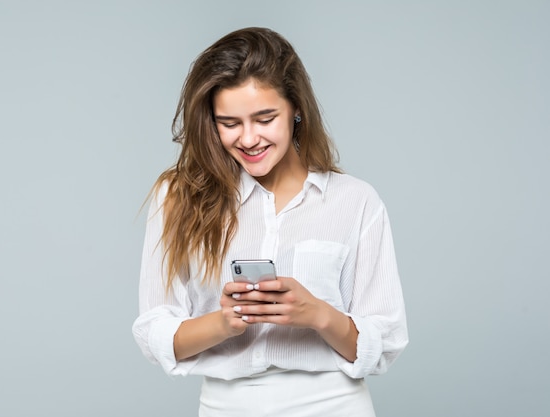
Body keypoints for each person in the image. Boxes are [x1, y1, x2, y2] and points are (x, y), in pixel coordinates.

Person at [133, 27, 408, 417]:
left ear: (296, 108)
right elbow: (154, 333)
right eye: (229, 123)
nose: (248, 139)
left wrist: (317, 314)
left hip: (334, 406)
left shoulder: (356, 201)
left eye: (265, 118)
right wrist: (226, 322)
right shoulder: (178, 198)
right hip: (226, 407)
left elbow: (386, 341)